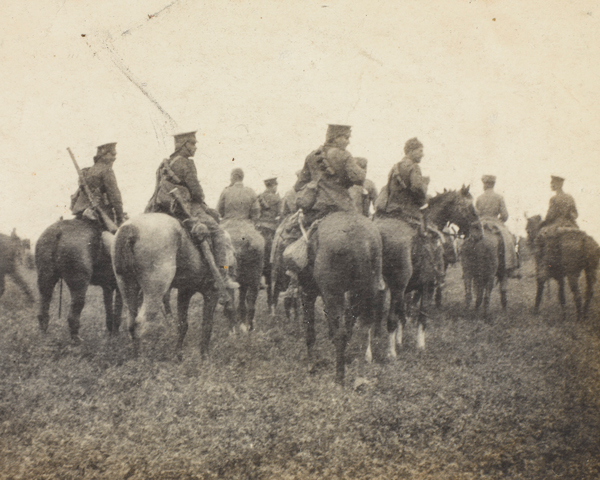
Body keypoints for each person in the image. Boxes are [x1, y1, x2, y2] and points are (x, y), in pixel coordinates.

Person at [145, 131, 239, 291]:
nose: (195, 147)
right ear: (183, 145)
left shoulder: (168, 163)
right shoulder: (187, 163)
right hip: (187, 208)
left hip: (167, 209)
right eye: (192, 143)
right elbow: (196, 192)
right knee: (218, 233)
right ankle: (223, 275)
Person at [375, 137, 430, 228]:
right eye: (420, 151)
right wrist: (425, 185)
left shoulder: (395, 167)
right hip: (407, 212)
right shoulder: (414, 166)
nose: (422, 154)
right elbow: (417, 188)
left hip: (390, 210)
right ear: (411, 151)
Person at [70, 142, 125, 228]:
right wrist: (120, 217)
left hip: (80, 211)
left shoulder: (87, 171)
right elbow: (115, 195)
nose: (114, 158)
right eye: (113, 154)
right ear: (104, 155)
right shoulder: (107, 170)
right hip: (98, 213)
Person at [475, 175, 519, 274]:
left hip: (481, 223)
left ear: (485, 185)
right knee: (508, 239)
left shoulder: (479, 198)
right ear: (493, 184)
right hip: (495, 222)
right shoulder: (499, 197)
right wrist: (499, 220)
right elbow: (505, 215)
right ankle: (510, 266)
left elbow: (476, 213)